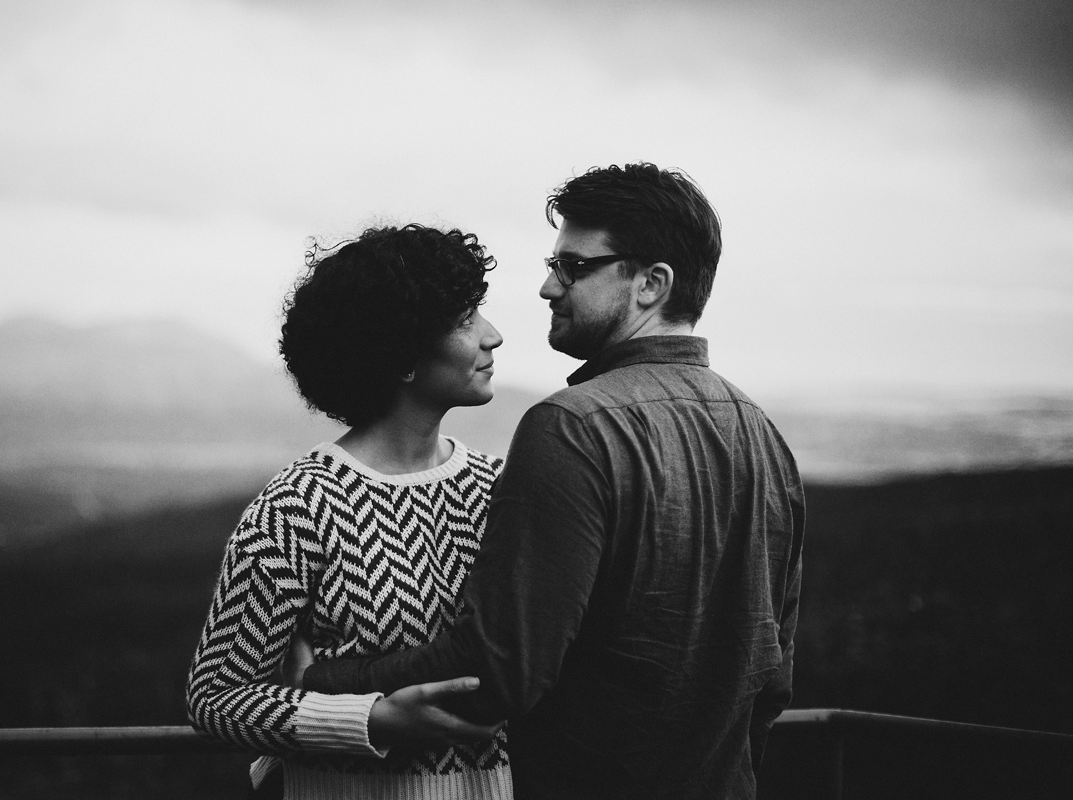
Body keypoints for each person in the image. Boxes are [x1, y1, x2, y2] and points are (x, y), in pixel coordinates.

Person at [303, 163, 806, 799]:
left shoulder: (571, 428)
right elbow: (774, 676)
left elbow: (497, 670)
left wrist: (325, 682)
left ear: (652, 284)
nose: (547, 286)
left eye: (573, 267)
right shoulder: (762, 433)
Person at [186, 224, 513, 799]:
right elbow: (217, 697)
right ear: (403, 353)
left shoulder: (500, 487)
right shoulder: (297, 508)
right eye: (466, 319)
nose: (494, 336)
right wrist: (371, 719)